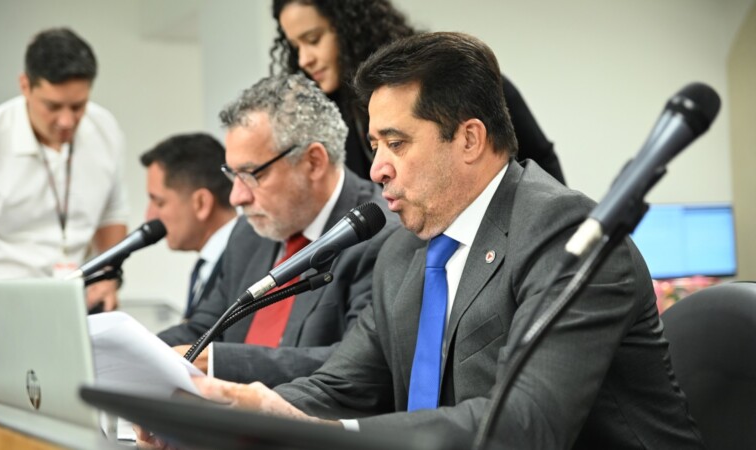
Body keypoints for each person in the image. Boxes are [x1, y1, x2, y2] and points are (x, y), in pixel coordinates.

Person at [175, 32, 703, 449]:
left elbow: (526, 424)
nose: (377, 169)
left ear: (469, 139)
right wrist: (225, 416)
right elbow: (342, 385)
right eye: (375, 145)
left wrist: (335, 435)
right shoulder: (404, 250)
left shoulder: (565, 234)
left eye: (396, 143)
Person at [156, 73, 399, 387]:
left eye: (251, 174)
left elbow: (356, 364)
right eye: (232, 175)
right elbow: (205, 327)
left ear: (313, 162)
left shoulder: (380, 234)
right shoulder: (248, 232)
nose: (237, 197)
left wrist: (217, 362)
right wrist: (129, 348)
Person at [270, 0, 567, 184]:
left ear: (349, 28)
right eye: (296, 47)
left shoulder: (459, 80)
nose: (304, 59)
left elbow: (541, 163)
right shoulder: (326, 121)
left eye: (313, 39)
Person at [0, 28, 128, 329]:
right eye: (53, 106)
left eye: (78, 106)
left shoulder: (104, 129)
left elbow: (112, 216)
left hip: (74, 307)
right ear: (25, 85)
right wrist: (16, 314)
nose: (66, 121)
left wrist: (108, 276)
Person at [140, 133, 238, 319]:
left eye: (159, 203)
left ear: (201, 203)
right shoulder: (208, 264)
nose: (149, 216)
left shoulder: (245, 262)